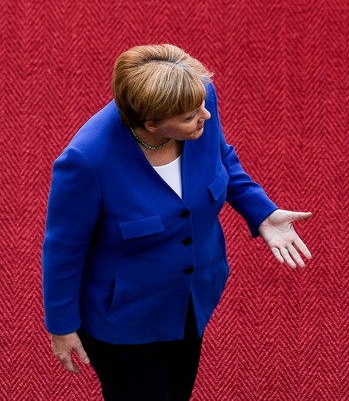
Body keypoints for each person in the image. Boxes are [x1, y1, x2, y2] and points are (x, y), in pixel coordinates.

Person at [42, 44, 312, 401]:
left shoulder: (195, 97)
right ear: (151, 123)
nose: (205, 116)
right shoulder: (86, 161)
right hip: (125, 319)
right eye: (189, 118)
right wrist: (61, 326)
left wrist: (259, 211)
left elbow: (220, 157)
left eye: (202, 106)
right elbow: (63, 249)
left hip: (193, 296)